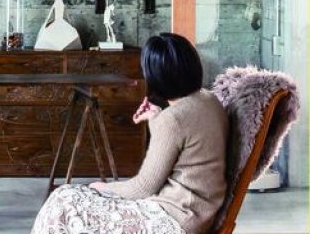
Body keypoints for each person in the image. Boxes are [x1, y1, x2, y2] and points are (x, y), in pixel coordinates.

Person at [33, 33, 229, 234]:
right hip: (195, 213)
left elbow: (143, 188)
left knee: (63, 204)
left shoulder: (173, 119)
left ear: (155, 77)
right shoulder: (209, 100)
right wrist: (157, 118)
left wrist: (101, 187)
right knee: (65, 197)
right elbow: (184, 145)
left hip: (172, 219)